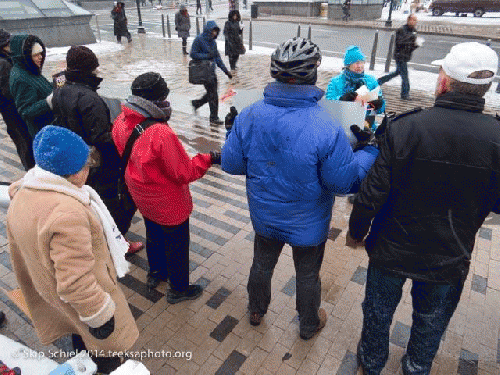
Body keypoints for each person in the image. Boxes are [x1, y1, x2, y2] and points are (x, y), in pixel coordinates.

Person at [347, 42, 499, 375]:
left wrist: (357, 231)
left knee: (378, 313)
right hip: (450, 254)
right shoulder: (496, 138)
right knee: (430, 322)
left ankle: (371, 365)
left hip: (390, 249)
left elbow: (372, 193)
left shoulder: (406, 127)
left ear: (444, 82)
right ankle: (416, 368)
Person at [221, 37, 379, 340]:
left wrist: (232, 130)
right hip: (309, 224)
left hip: (265, 217)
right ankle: (308, 324)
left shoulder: (250, 114)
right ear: (313, 73)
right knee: (307, 275)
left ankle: (256, 309)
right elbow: (342, 183)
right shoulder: (326, 125)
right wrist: (368, 152)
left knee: (261, 265)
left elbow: (231, 163)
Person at [7, 125, 139, 374]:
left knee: (80, 334)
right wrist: (100, 315)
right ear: (70, 172)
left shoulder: (26, 191)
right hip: (86, 300)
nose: (88, 171)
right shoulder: (67, 213)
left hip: (53, 293)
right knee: (106, 352)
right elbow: (75, 281)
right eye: (84, 166)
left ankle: (86, 352)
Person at [112, 72, 220, 301]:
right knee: (177, 245)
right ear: (157, 99)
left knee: (154, 235)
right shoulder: (160, 133)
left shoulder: (121, 121)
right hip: (168, 202)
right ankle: (179, 289)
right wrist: (208, 158)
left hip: (142, 195)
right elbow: (184, 172)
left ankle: (156, 274)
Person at [51, 46, 143, 254]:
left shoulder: (60, 85)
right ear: (87, 70)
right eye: (94, 68)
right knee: (114, 202)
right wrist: (119, 164)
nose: (97, 71)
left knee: (90, 199)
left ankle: (96, 237)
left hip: (74, 158)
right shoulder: (90, 100)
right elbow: (103, 139)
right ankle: (117, 243)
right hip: (97, 163)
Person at [326, 45, 385, 130]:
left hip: (367, 126)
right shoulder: (336, 82)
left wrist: (379, 104)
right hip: (342, 126)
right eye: (356, 63)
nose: (360, 66)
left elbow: (381, 109)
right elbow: (329, 105)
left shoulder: (371, 81)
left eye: (362, 62)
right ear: (348, 65)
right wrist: (342, 99)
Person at [0, 29, 35, 170]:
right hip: (15, 113)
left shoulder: (7, 60)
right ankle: (32, 172)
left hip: (12, 114)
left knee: (23, 142)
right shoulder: (4, 64)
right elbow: (11, 92)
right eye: (8, 43)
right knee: (25, 143)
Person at [9, 34, 53, 138]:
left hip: (49, 128)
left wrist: (57, 83)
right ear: (24, 56)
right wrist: (49, 101)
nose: (40, 57)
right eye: (35, 55)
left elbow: (39, 88)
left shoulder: (29, 69)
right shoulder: (21, 78)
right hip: (44, 133)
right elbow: (26, 111)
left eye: (41, 53)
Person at [190, 21, 233, 125]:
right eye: (213, 31)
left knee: (212, 93)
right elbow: (193, 54)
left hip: (211, 72)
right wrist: (206, 56)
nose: (215, 33)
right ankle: (213, 117)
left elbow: (217, 58)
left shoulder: (213, 43)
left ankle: (197, 103)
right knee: (213, 94)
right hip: (203, 72)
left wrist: (226, 71)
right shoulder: (199, 40)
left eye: (216, 31)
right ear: (208, 30)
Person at [377, 14, 419, 100]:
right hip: (400, 56)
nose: (414, 22)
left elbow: (411, 45)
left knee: (397, 73)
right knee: (405, 76)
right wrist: (411, 39)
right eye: (413, 20)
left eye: (415, 20)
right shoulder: (402, 30)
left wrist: (416, 44)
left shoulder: (414, 30)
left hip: (406, 56)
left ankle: (378, 82)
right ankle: (405, 94)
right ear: (408, 20)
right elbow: (400, 42)